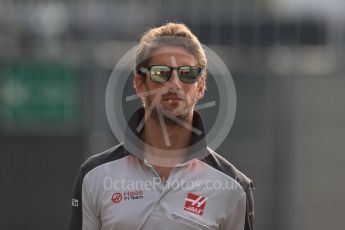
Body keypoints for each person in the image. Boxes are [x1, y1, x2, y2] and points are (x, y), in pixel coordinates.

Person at [69, 22, 254, 230]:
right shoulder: (94, 176)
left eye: (187, 73)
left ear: (200, 86)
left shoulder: (234, 188)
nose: (174, 84)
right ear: (140, 84)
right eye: (160, 72)